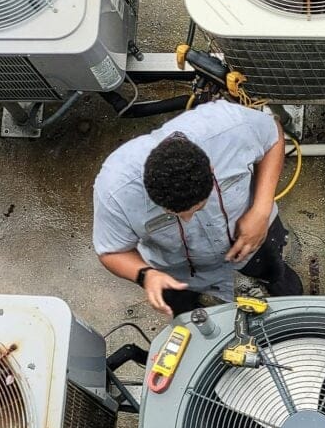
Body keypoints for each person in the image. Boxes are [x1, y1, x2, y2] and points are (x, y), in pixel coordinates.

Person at [93, 100, 303, 317]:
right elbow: (111, 251)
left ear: (212, 171)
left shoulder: (228, 126)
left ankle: (277, 281)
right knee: (182, 309)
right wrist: (145, 275)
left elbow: (273, 136)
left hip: (254, 237)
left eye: (198, 207)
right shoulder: (114, 191)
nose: (187, 219)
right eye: (172, 215)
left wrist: (261, 209)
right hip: (176, 269)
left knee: (271, 267)